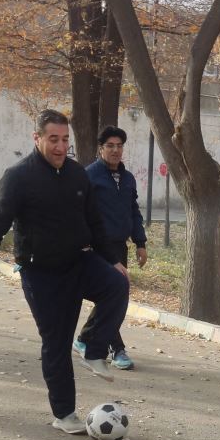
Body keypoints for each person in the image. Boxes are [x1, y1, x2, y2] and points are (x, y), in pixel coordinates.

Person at [0, 109, 130, 436]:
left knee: (117, 284)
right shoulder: (18, 177)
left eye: (65, 139)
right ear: (37, 138)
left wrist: (113, 260)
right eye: (53, 139)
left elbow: (95, 223)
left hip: (79, 262)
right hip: (41, 275)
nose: (60, 147)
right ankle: (64, 414)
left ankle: (93, 349)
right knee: (56, 344)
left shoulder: (77, 174)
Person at [76, 126, 148, 369]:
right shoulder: (89, 175)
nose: (115, 150)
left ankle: (85, 338)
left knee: (114, 296)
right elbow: (80, 211)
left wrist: (140, 242)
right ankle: (116, 349)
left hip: (119, 246)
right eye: (110, 146)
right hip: (98, 247)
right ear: (101, 149)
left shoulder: (128, 179)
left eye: (119, 146)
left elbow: (133, 211)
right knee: (114, 295)